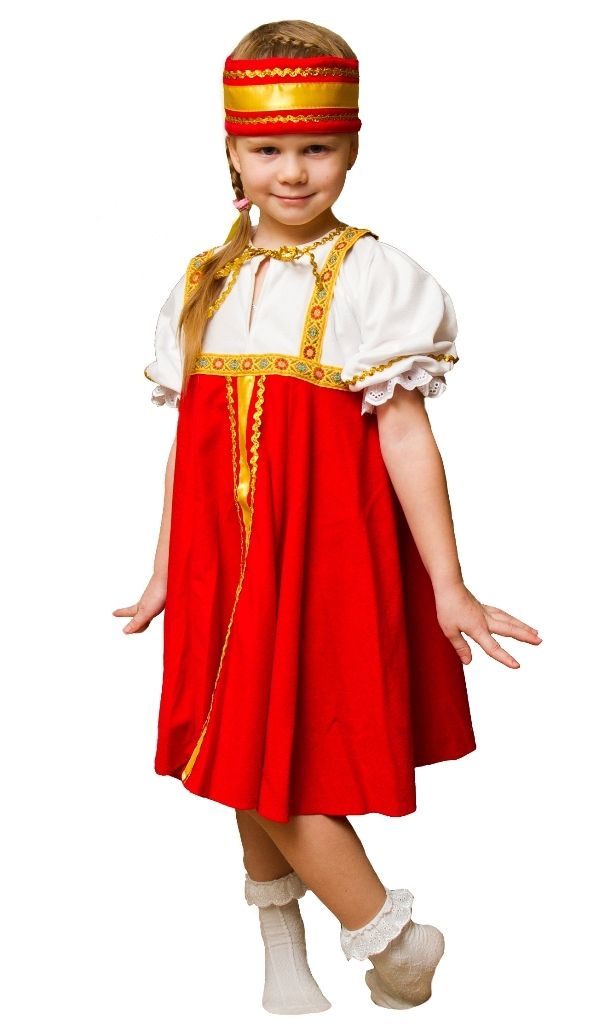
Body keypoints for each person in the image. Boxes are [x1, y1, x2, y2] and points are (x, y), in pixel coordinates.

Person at [113, 19, 542, 1015]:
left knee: (275, 758)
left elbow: (406, 436)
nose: (293, 172)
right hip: (220, 561)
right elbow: (190, 442)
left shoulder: (371, 277)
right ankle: (284, 950)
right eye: (268, 149)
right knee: (235, 748)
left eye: (317, 147)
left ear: (352, 146)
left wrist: (449, 584)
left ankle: (391, 937)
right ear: (231, 151)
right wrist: (165, 567)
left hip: (318, 556)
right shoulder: (203, 282)